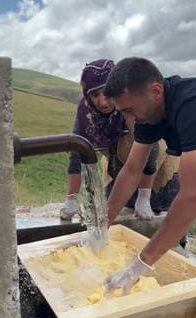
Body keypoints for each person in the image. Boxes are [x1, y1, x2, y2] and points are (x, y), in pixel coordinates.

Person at [103, 57, 196, 293]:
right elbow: (131, 170)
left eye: (129, 110)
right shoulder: (148, 114)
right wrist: (102, 225)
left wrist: (140, 264)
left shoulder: (195, 105)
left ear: (156, 90)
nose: (128, 120)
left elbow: (192, 197)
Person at [60, 59, 159, 222]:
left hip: (154, 179)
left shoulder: (130, 105)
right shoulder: (86, 113)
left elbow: (152, 152)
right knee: (114, 224)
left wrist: (144, 197)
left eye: (106, 92)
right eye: (94, 94)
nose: (102, 102)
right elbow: (77, 153)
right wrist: (72, 198)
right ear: (87, 94)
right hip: (117, 174)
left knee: (156, 225)